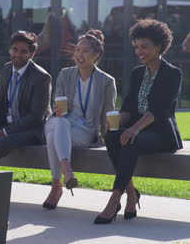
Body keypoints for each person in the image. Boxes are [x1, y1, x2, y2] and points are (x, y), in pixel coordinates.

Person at [95, 19, 182, 224]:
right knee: (112, 135)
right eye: (136, 46)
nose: (139, 51)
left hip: (162, 134)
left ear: (159, 46)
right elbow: (129, 108)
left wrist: (133, 129)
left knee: (129, 139)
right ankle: (131, 193)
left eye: (144, 46)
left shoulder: (173, 73)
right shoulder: (137, 73)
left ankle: (115, 198)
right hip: (138, 131)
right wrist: (114, 120)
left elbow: (158, 111)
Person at [42, 29, 117, 210]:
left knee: (53, 138)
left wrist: (110, 140)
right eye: (77, 50)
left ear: (96, 55)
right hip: (61, 122)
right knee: (59, 123)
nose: (79, 55)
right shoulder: (65, 74)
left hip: (85, 131)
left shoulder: (106, 81)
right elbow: (56, 107)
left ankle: (56, 187)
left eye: (85, 51)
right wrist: (60, 111)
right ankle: (66, 170)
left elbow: (108, 113)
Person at [0, 30, 52, 169]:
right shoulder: (7, 69)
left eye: (23, 51)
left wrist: (4, 132)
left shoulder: (41, 77)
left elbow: (36, 117)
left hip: (32, 131)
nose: (17, 54)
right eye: (14, 49)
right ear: (10, 49)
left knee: (2, 142)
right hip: (8, 127)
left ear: (32, 54)